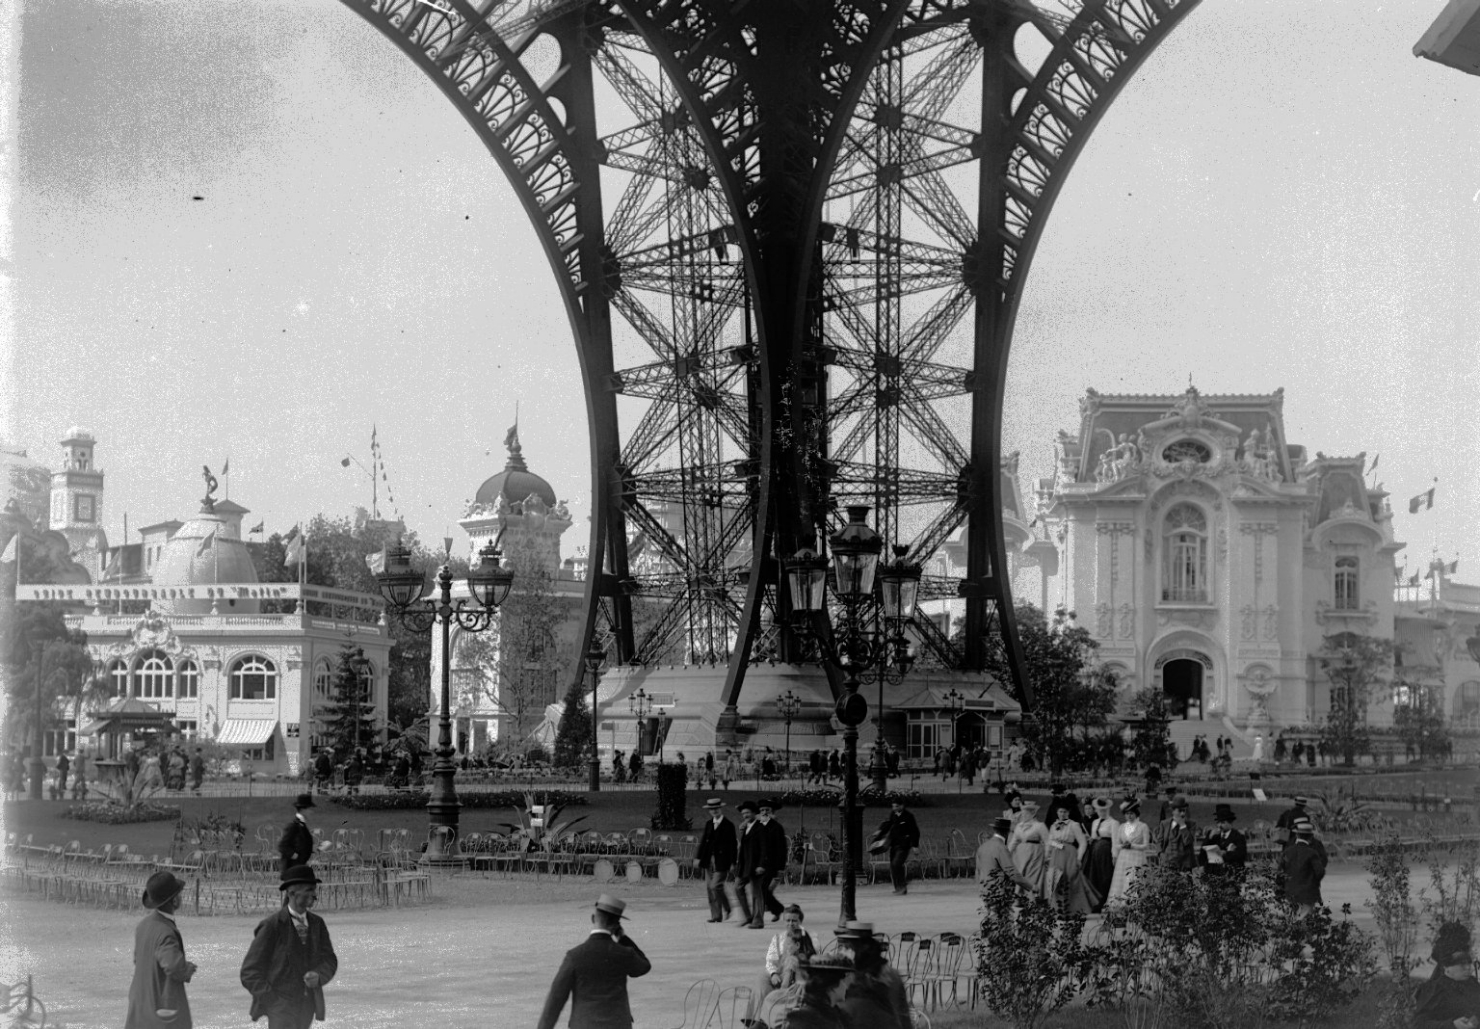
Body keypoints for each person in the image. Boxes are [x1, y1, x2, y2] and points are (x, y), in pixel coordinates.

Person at [240, 865, 339, 1029]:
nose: (314, 895)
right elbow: (249, 972)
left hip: (306, 1006)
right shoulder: (272, 926)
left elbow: (329, 959)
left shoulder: (317, 924)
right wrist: (273, 1001)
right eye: (309, 890)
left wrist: (319, 976)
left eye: (314, 890)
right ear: (292, 893)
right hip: (280, 1009)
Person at [535, 894, 651, 1029]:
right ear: (615, 925)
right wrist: (622, 937)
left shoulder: (575, 956)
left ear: (593, 918)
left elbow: (556, 998)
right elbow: (644, 966)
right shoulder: (624, 953)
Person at [125, 872, 198, 1029]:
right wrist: (187, 968)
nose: (181, 897)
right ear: (174, 900)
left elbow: (138, 959)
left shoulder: (143, 925)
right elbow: (172, 966)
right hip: (159, 1010)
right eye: (179, 894)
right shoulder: (165, 931)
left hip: (139, 1004)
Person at [749, 903, 821, 1019]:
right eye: (787, 921)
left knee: (789, 978)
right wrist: (773, 974)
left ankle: (770, 1015)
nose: (790, 924)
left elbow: (813, 957)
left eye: (794, 921)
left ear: (800, 921)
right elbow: (770, 960)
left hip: (798, 973)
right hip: (780, 971)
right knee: (761, 979)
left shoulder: (810, 937)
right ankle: (757, 1017)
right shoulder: (778, 937)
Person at [835, 921, 910, 1029]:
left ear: (854, 950)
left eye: (845, 948)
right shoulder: (893, 974)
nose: (841, 952)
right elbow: (904, 1016)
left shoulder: (850, 979)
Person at [1415, 929, 1480, 1029]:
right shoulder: (1434, 989)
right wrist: (1452, 1025)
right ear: (1446, 967)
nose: (1468, 968)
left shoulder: (1473, 984)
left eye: (1469, 963)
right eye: (1462, 964)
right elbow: (1419, 1024)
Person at [777, 957, 855, 1029]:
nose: (846, 987)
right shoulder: (804, 1019)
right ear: (832, 987)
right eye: (843, 982)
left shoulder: (838, 1016)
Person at [745, 798, 788, 927]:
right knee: (762, 890)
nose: (764, 812)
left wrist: (780, 867)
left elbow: (782, 848)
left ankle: (759, 917)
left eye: (767, 810)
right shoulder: (756, 826)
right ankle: (775, 909)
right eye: (762, 810)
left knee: (762, 889)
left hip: (771, 864)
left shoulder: (776, 827)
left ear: (772, 812)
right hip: (758, 864)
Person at [694, 797, 738, 923]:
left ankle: (727, 907)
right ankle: (716, 915)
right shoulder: (709, 824)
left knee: (715, 886)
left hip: (722, 861)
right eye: (711, 809)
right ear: (709, 811)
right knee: (710, 888)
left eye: (716, 808)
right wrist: (698, 858)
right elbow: (704, 843)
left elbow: (733, 846)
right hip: (708, 860)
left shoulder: (728, 825)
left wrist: (732, 862)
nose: (714, 811)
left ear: (720, 809)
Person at [1045, 803, 1094, 913]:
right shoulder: (1054, 826)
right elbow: (1050, 841)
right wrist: (1047, 855)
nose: (1062, 814)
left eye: (1065, 812)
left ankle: (1072, 908)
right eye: (1060, 812)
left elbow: (1082, 843)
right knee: (1054, 878)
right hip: (1057, 854)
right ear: (1057, 813)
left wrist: (1079, 858)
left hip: (1069, 854)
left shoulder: (1074, 825)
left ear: (1068, 813)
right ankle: (1057, 908)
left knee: (1070, 878)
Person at [1106, 800, 1153, 905]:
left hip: (1137, 857)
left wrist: (1132, 845)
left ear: (1136, 814)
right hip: (1123, 857)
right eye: (1127, 814)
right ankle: (1120, 904)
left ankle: (1135, 903)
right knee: (1122, 881)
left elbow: (1145, 845)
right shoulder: (1122, 827)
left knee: (1134, 879)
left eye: (1132, 813)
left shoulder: (1143, 826)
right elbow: (1116, 844)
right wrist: (1123, 846)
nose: (1129, 816)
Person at [1279, 817, 1326, 917]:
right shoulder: (1312, 852)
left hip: (1290, 891)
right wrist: (1312, 881)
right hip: (1308, 892)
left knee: (1292, 919)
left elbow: (1280, 872)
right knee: (1305, 921)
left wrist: (1281, 888)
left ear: (1297, 834)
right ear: (1310, 836)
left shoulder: (1287, 851)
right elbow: (1320, 871)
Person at [977, 816, 1037, 892]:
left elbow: (979, 870)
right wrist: (1031, 887)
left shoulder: (982, 847)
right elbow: (1012, 873)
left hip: (985, 890)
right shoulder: (1001, 847)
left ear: (995, 830)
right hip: (998, 891)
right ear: (1007, 832)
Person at [875, 799, 921, 896]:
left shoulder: (909, 816)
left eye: (896, 806)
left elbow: (914, 831)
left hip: (903, 845)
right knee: (893, 866)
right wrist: (880, 831)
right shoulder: (893, 814)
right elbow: (888, 824)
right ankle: (898, 887)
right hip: (894, 844)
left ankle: (902, 887)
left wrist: (915, 846)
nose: (894, 808)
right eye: (893, 806)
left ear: (901, 806)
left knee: (897, 864)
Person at [1082, 798, 1119, 911]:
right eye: (1099, 811)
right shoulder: (1095, 822)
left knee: (1105, 877)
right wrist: (1090, 839)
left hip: (1106, 853)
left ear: (1108, 810)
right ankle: (1095, 904)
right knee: (1093, 876)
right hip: (1095, 852)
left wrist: (1114, 856)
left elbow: (1115, 841)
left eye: (1104, 811)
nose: (1101, 813)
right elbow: (1094, 837)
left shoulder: (1114, 823)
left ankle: (1105, 902)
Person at [1008, 800, 1049, 897]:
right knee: (1021, 873)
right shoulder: (1019, 826)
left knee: (1033, 874)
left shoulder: (1039, 826)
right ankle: (1021, 896)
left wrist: (1047, 855)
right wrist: (1007, 853)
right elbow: (1014, 841)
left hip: (1035, 852)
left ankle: (1033, 897)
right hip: (1021, 854)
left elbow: (1047, 842)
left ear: (1032, 814)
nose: (1024, 816)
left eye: (1026, 813)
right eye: (1023, 814)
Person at [1199, 804, 1247, 875]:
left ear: (1230, 823)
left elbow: (1242, 855)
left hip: (1231, 873)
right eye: (1218, 823)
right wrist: (1209, 838)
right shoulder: (1213, 835)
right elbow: (1202, 852)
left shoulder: (1238, 836)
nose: (1219, 826)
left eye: (1223, 823)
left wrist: (1225, 853)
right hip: (1213, 872)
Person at [1153, 797, 1197, 871]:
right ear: (1173, 811)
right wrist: (1160, 854)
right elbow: (1159, 841)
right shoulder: (1165, 824)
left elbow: (1188, 842)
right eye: (1180, 811)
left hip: (1184, 864)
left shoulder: (1191, 824)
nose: (1182, 813)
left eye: (1184, 811)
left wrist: (1182, 825)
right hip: (1168, 863)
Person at [277, 794, 316, 873]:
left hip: (299, 866)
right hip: (292, 868)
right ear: (303, 810)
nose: (312, 812)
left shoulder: (301, 825)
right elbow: (282, 846)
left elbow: (301, 844)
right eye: (310, 809)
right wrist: (295, 856)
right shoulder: (293, 826)